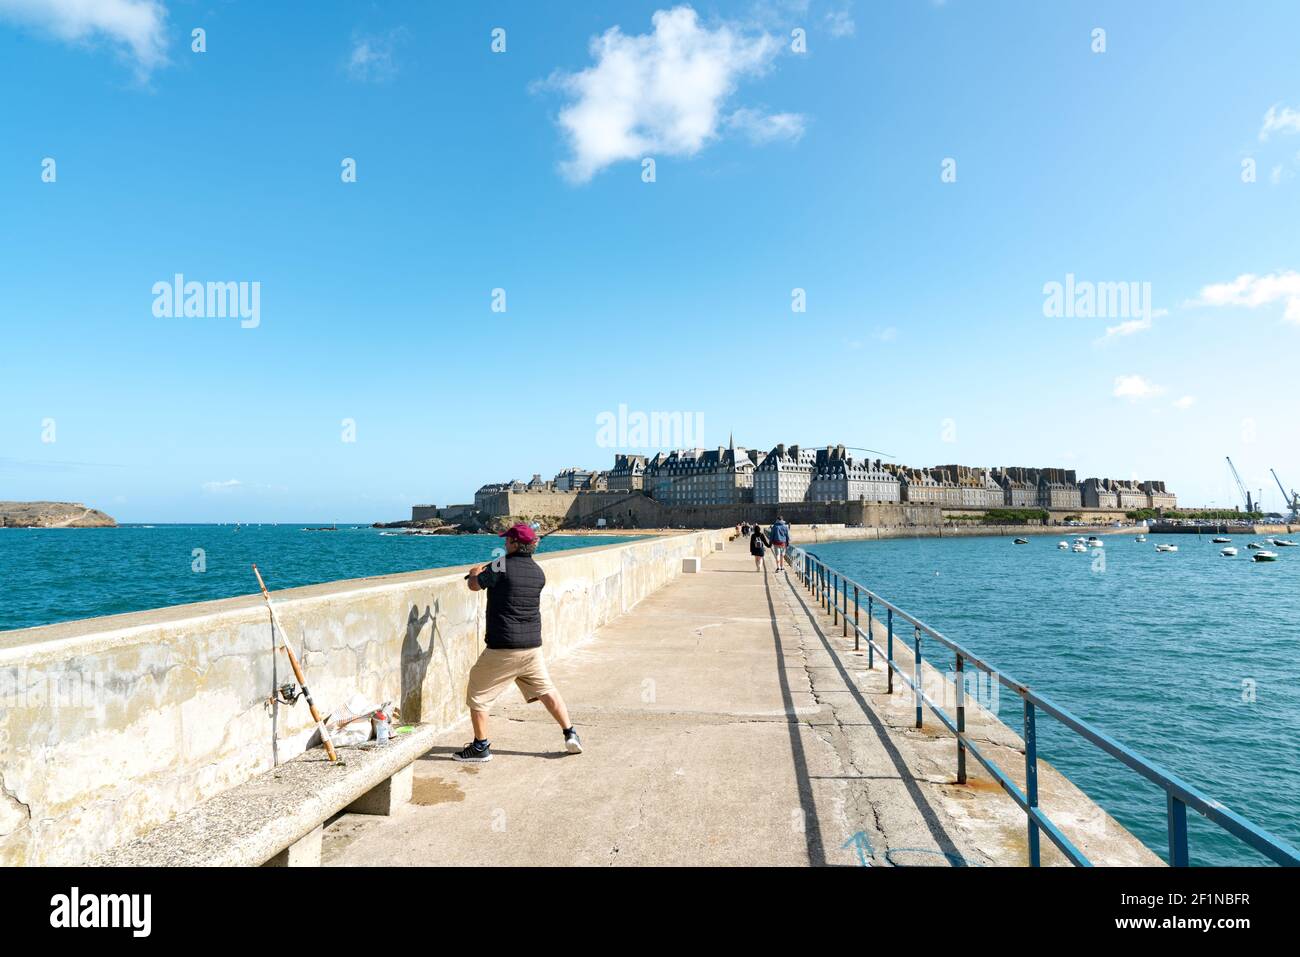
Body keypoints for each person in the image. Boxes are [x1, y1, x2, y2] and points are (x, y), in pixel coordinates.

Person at [454, 523, 582, 763]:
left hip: (504, 646)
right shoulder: (538, 572)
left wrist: (474, 572)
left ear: (514, 543)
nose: (504, 543)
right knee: (545, 690)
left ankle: (480, 746)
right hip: (531, 646)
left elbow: (474, 586)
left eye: (507, 540)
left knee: (478, 693)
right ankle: (570, 733)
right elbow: (512, 575)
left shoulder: (500, 566)